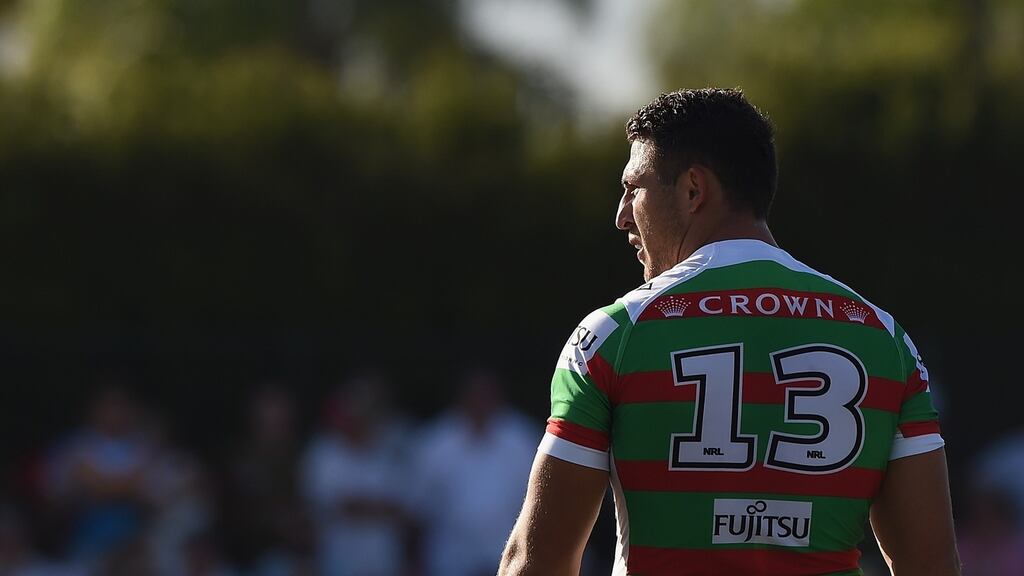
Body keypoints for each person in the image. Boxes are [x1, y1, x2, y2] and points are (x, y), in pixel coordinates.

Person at [498, 89, 959, 576]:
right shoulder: (884, 338)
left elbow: (538, 561)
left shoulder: (615, 335)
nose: (621, 216)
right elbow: (931, 565)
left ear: (693, 189)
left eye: (634, 188)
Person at [413, 368, 537, 576]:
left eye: (486, 394)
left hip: (510, 559)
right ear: (461, 397)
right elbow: (417, 509)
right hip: (449, 560)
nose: (480, 401)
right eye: (474, 394)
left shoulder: (523, 439)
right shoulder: (434, 443)